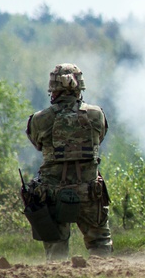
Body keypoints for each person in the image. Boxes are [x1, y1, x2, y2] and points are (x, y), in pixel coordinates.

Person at [26, 63, 112, 261]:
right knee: (100, 243)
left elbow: (37, 143)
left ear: (53, 90)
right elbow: (100, 138)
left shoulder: (40, 119)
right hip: (89, 192)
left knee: (56, 251)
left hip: (53, 194)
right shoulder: (96, 114)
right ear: (79, 88)